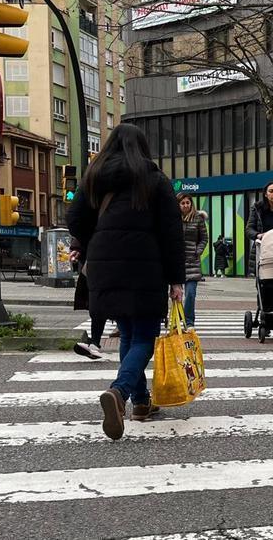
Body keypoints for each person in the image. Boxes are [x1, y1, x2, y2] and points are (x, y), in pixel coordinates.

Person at [67, 123, 186, 440]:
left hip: (105, 264)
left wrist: (96, 238)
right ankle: (119, 392)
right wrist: (177, 279)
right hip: (145, 265)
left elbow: (74, 218)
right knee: (145, 335)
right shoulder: (154, 179)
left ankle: (142, 402)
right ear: (142, 147)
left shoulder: (95, 177)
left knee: (129, 334)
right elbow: (171, 232)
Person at [178, 194, 209, 328]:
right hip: (177, 261)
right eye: (183, 203)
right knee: (175, 294)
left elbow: (204, 238)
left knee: (190, 294)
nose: (185, 205)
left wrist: (198, 250)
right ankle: (177, 319)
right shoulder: (173, 218)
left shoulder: (198, 219)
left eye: (187, 203)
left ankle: (189, 322)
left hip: (192, 261)